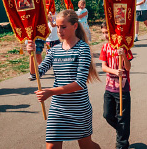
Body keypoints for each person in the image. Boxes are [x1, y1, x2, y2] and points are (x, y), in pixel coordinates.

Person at [27, 9, 101, 149]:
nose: (59, 31)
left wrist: (50, 92)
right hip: (58, 107)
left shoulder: (83, 49)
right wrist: (31, 54)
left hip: (78, 107)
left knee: (86, 146)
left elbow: (79, 83)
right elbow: (36, 73)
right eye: (57, 26)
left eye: (63, 27)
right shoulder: (54, 50)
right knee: (51, 147)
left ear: (75, 26)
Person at [99, 22, 133, 149]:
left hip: (122, 89)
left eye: (107, 32)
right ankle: (122, 130)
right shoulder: (105, 47)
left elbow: (128, 67)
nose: (105, 35)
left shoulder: (124, 47)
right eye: (103, 33)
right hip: (109, 88)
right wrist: (114, 71)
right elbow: (103, 67)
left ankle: (122, 144)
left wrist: (123, 55)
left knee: (123, 117)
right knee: (107, 115)